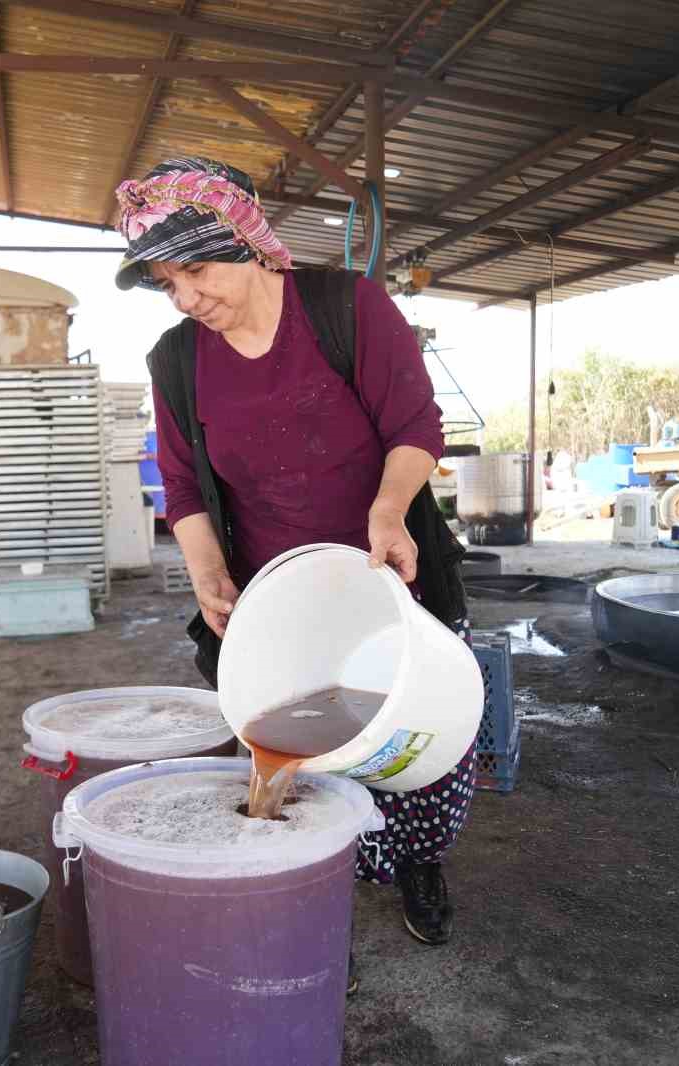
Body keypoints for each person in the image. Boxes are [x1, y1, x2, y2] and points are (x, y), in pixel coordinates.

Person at [117, 158, 474, 986]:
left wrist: (389, 511)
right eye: (167, 283)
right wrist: (208, 572)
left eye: (195, 271)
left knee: (418, 739)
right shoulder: (176, 361)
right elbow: (179, 484)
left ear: (247, 242)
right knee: (304, 748)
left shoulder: (344, 309)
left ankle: (419, 860)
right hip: (282, 598)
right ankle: (324, 894)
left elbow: (416, 424)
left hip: (388, 569)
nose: (185, 298)